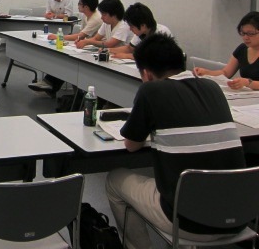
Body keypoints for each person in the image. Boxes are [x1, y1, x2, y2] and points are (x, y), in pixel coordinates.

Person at [105, 34, 246, 249]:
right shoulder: (212, 87)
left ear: (146, 73)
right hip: (240, 214)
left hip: (188, 221)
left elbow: (131, 145)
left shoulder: (150, 90)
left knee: (115, 179)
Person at [30, 0, 102, 96]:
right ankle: (50, 84)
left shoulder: (96, 18)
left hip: (95, 50)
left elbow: (80, 35)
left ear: (86, 7)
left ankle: (51, 84)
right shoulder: (86, 16)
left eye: (79, 3)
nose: (78, 5)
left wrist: (58, 37)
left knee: (69, 61)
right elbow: (80, 36)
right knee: (64, 59)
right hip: (88, 47)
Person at [194, 11, 259, 91]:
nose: (246, 37)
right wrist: (206, 73)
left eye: (251, 34)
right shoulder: (242, 49)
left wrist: (248, 83)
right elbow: (225, 73)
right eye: (243, 33)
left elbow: (247, 82)